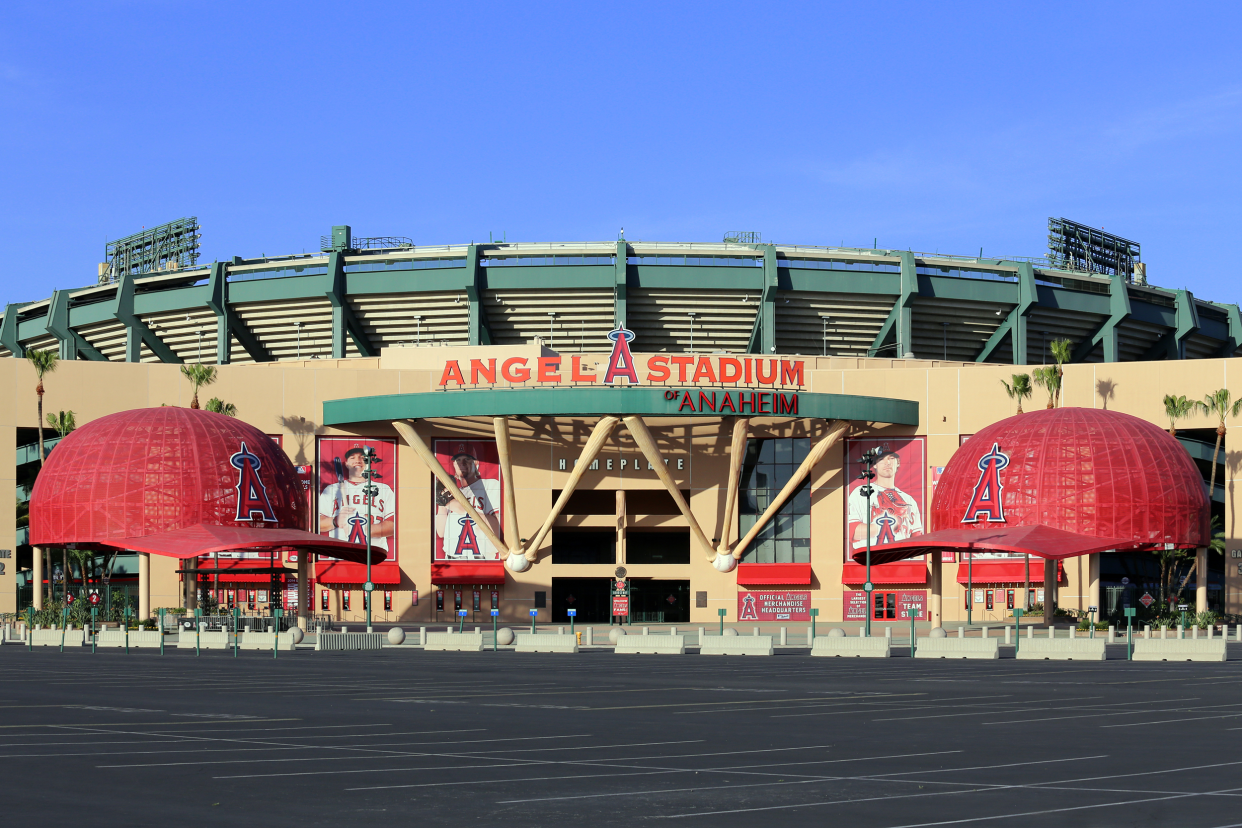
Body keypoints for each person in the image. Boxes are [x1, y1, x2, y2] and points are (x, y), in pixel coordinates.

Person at [318, 446, 396, 552]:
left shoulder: (383, 489)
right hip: (340, 553)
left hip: (374, 553)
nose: (357, 461)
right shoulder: (332, 489)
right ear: (346, 463)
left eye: (362, 457)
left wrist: (362, 530)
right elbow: (317, 524)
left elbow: (392, 526)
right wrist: (336, 520)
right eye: (352, 457)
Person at [847, 448, 923, 551]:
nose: (887, 463)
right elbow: (852, 532)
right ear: (874, 465)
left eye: (891, 458)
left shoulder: (908, 500)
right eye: (881, 459)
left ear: (898, 463)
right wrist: (892, 524)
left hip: (901, 560)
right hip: (871, 558)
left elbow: (917, 537)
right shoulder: (862, 492)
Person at [435, 450, 503, 559]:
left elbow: (499, 528)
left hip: (482, 560)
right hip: (451, 560)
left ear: (476, 463)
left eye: (467, 459)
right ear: (454, 465)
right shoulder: (453, 493)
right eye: (458, 460)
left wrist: (462, 509)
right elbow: (441, 533)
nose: (462, 463)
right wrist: (442, 504)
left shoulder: (490, 485)